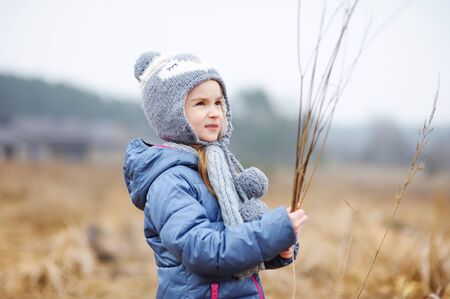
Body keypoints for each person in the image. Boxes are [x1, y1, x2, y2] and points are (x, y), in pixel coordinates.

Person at [123, 51, 308, 299]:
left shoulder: (218, 170)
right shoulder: (170, 180)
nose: (215, 113)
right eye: (201, 103)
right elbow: (203, 251)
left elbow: (235, 245)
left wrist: (277, 248)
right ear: (171, 114)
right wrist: (270, 231)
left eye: (218, 102)